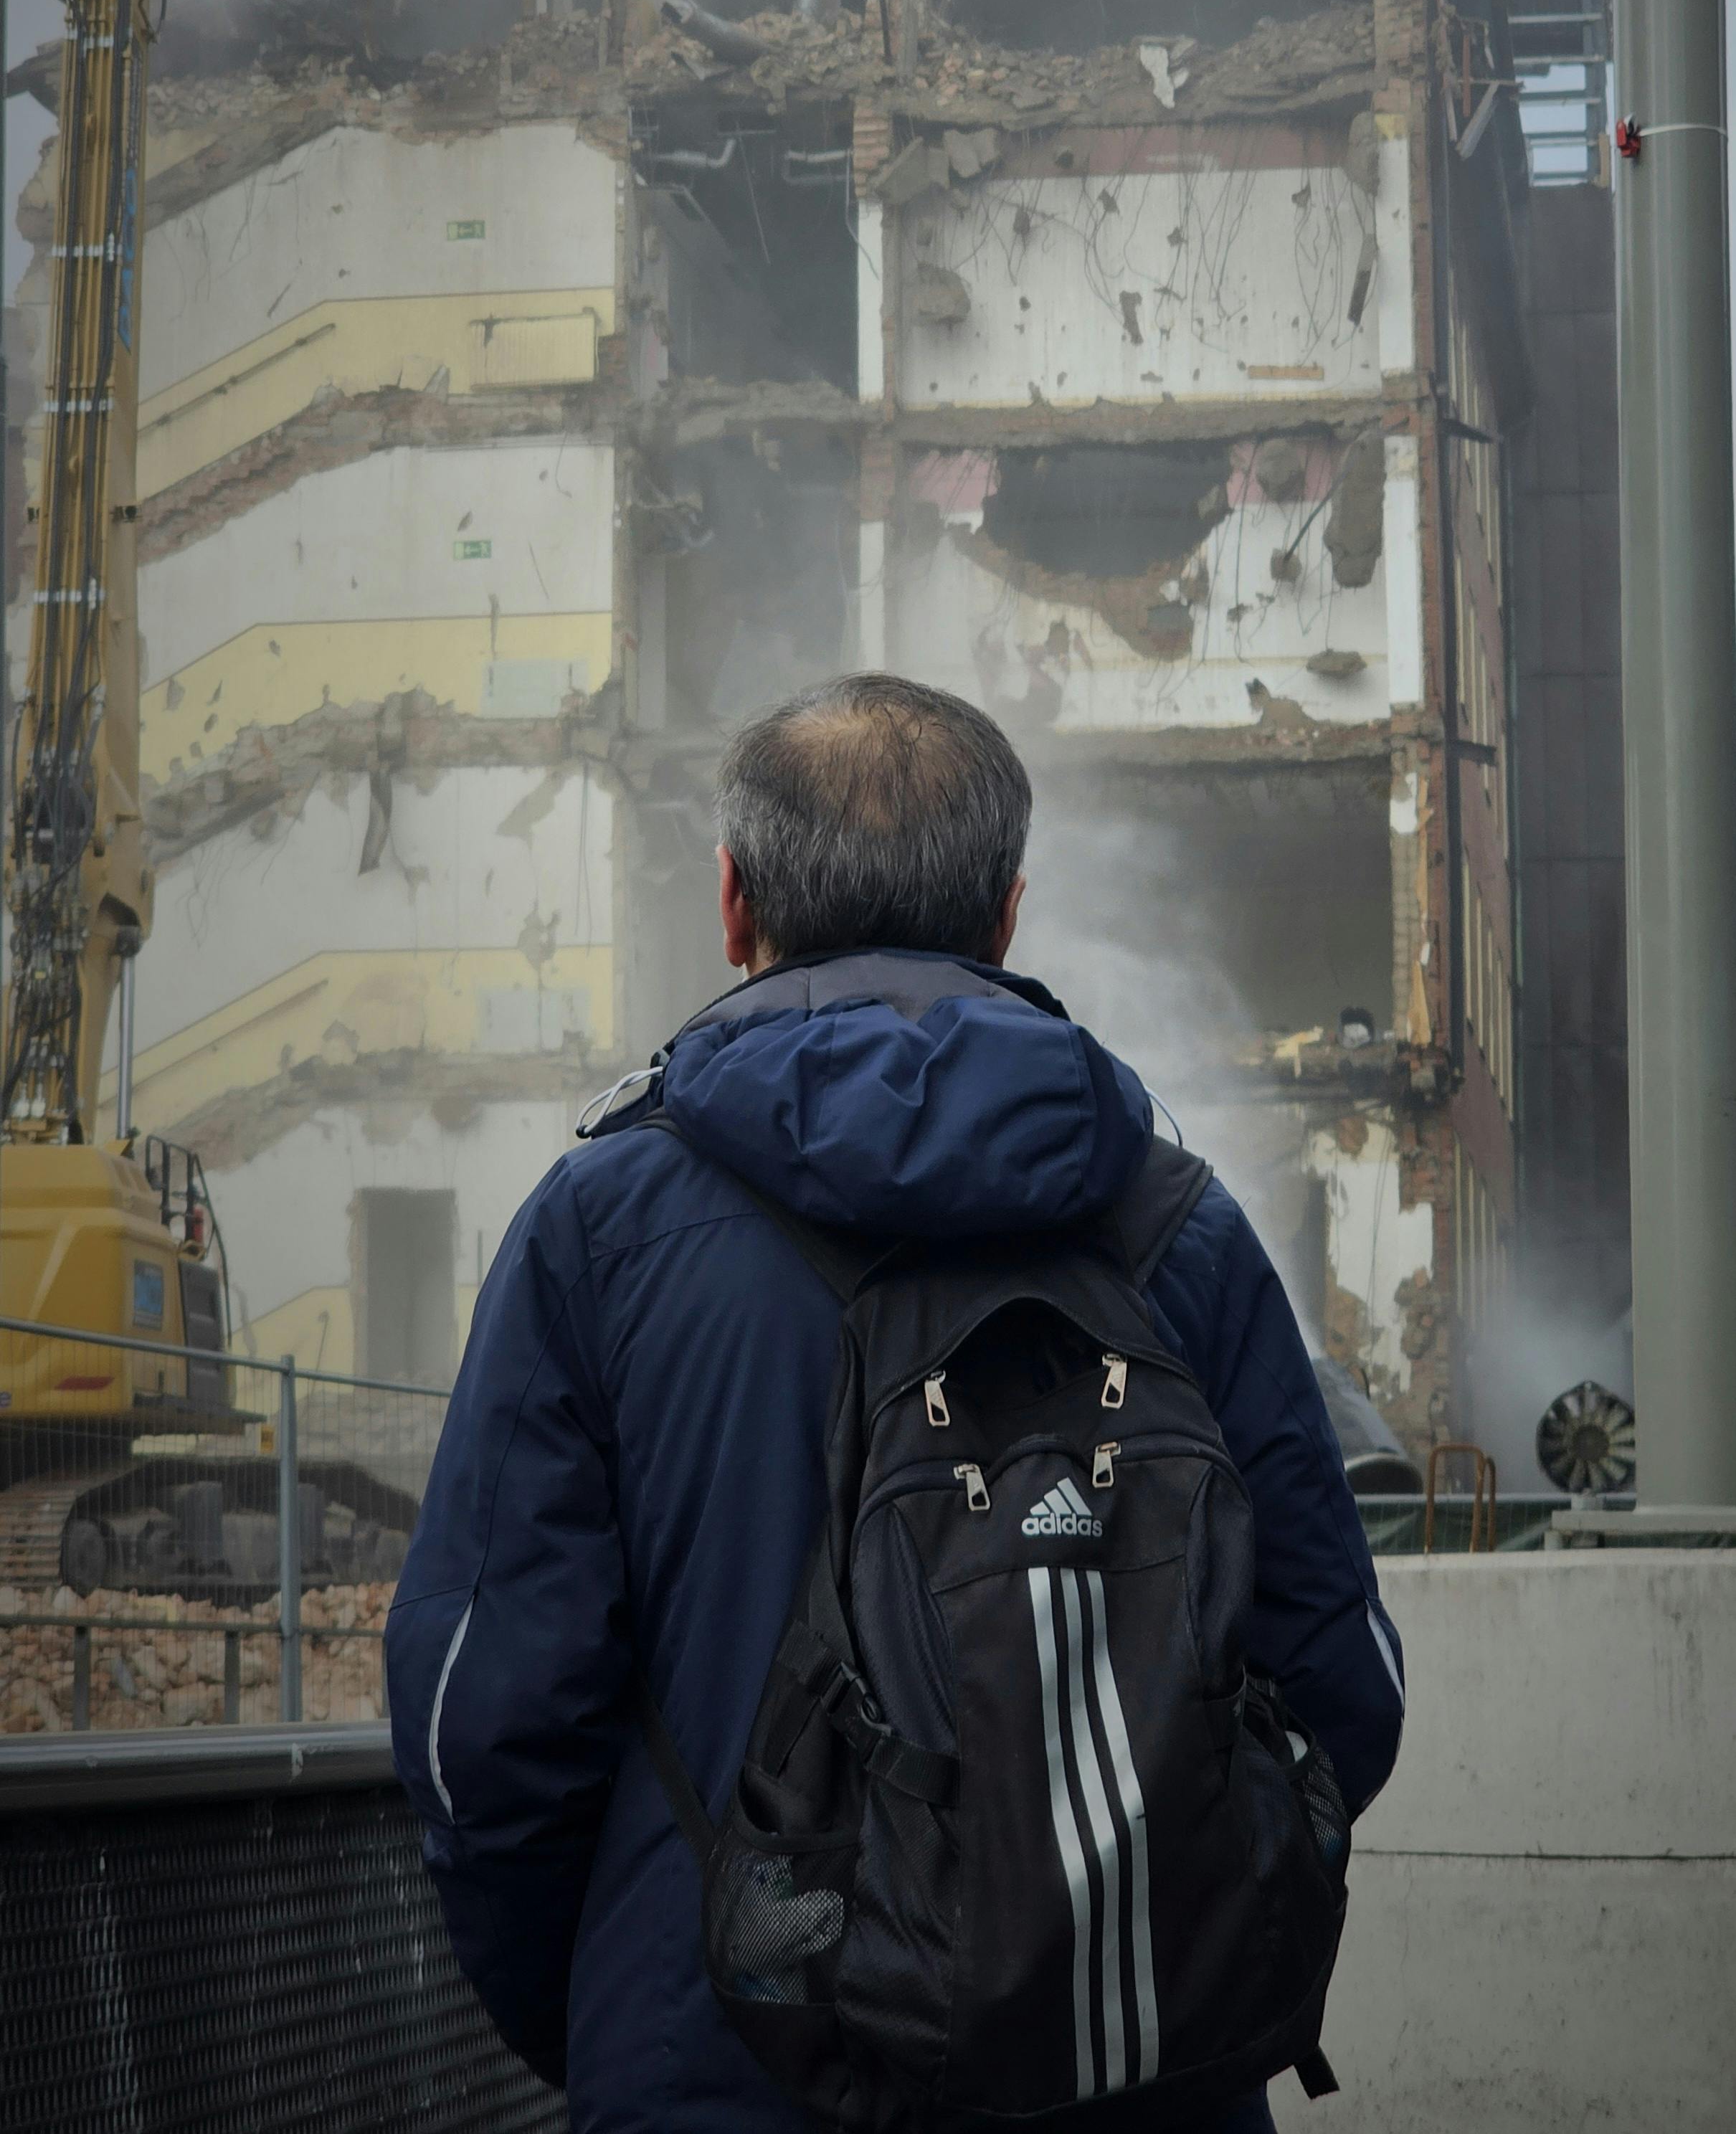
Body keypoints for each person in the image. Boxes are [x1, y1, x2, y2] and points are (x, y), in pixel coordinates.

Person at [387, 671, 1405, 2134]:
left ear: (733, 905)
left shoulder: (596, 1233)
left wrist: (625, 1998)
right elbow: (1335, 1680)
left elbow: (482, 1725)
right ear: (1003, 913)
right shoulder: (1175, 1226)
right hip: (1132, 2077)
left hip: (716, 2070)